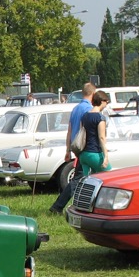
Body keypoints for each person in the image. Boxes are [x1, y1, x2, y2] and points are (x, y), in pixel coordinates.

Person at [49, 82, 96, 214]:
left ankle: (81, 204)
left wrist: (68, 150)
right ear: (93, 94)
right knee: (79, 179)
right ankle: (58, 206)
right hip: (86, 147)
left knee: (82, 178)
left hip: (76, 146)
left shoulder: (75, 108)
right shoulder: (89, 109)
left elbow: (69, 131)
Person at [78, 90, 112, 177]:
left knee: (89, 181)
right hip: (95, 153)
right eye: (106, 102)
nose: (106, 104)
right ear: (101, 101)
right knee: (109, 175)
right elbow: (101, 138)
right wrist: (106, 156)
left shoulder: (84, 116)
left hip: (83, 154)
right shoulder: (100, 117)